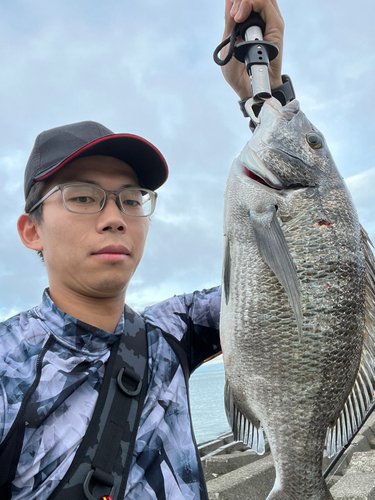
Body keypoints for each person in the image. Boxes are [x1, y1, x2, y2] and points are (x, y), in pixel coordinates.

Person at [0, 0, 287, 498]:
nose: (115, 217)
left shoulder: (173, 329)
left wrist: (265, 94)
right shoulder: (7, 365)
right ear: (32, 231)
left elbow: (297, 274)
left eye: (131, 199)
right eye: (83, 197)